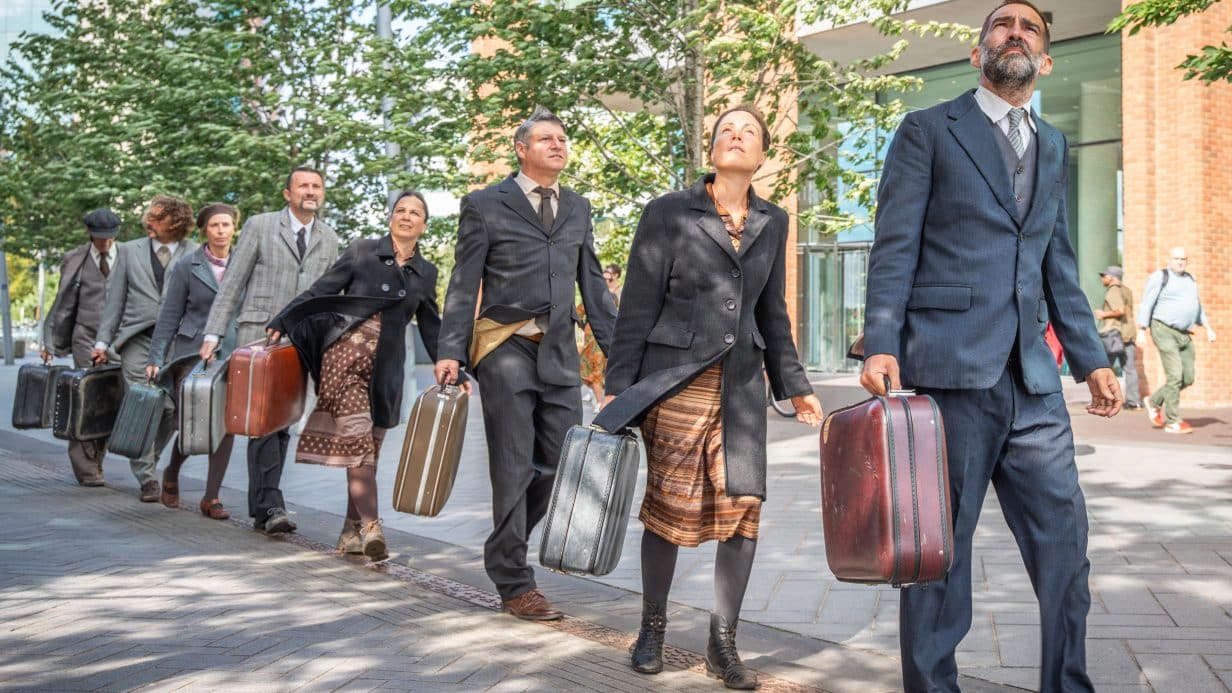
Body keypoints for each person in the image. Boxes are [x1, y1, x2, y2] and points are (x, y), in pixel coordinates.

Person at [858, 2, 1122, 691]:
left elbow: (1056, 262)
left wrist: (1091, 358)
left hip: (1035, 383)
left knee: (1067, 550)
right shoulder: (927, 130)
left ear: (1046, 59)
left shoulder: (1055, 145)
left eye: (1029, 28)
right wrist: (881, 341)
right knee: (938, 554)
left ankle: (1068, 683)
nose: (1015, 33)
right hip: (949, 372)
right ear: (979, 54)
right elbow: (894, 246)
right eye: (1002, 26)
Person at [604, 105, 823, 690]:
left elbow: (772, 313)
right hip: (674, 379)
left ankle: (722, 642)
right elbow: (638, 305)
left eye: (749, 131)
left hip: (742, 386)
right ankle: (652, 625)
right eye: (727, 127)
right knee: (669, 508)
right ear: (711, 147)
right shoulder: (669, 212)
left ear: (761, 155)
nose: (736, 134)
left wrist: (796, 386)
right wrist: (617, 390)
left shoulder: (773, 222)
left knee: (743, 509)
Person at [435, 109, 617, 621]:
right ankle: (515, 580)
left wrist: (621, 360)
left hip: (560, 353)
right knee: (512, 466)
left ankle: (502, 547)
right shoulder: (484, 204)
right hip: (504, 349)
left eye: (563, 138)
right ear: (521, 148)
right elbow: (463, 283)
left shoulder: (578, 207)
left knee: (562, 465)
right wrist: (451, 350)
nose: (558, 145)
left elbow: (595, 289)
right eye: (546, 138)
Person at [268, 191, 444, 561]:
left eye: (415, 213)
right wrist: (283, 319)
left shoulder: (426, 273)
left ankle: (350, 531)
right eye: (401, 211)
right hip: (345, 361)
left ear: (424, 225)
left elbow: (431, 326)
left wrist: (451, 362)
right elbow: (322, 290)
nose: (407, 217)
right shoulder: (362, 251)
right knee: (358, 440)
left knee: (367, 450)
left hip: (387, 370)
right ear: (390, 218)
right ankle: (372, 527)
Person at [199, 166, 340, 534]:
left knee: (283, 423)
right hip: (259, 337)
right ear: (287, 194)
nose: (310, 191)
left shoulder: (329, 237)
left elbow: (328, 297)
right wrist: (213, 333)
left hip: (302, 342)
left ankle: (265, 507)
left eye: (316, 186)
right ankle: (271, 504)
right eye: (303, 186)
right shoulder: (261, 226)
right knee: (263, 423)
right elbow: (233, 283)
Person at [93, 196, 197, 502]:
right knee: (141, 402)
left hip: (176, 343)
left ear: (174, 222)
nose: (147, 223)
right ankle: (147, 477)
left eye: (156, 218)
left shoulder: (193, 253)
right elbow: (115, 300)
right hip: (137, 339)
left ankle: (148, 458)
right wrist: (102, 341)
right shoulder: (128, 250)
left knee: (168, 410)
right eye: (147, 217)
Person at [144, 204, 241, 519]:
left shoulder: (245, 262)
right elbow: (170, 315)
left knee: (226, 427)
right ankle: (172, 472)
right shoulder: (188, 265)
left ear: (234, 229)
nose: (221, 231)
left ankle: (211, 498)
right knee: (190, 424)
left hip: (232, 353)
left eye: (226, 225)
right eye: (215, 225)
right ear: (204, 230)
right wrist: (156, 357)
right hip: (191, 354)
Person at [40, 209, 121, 487]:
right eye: (101, 238)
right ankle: (86, 467)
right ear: (89, 233)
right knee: (86, 400)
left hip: (120, 340)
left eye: (110, 237)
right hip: (84, 337)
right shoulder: (75, 258)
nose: (106, 243)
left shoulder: (129, 257)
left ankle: (98, 457)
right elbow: (62, 304)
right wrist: (49, 342)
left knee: (112, 403)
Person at [1137, 246, 1216, 434]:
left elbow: (1197, 305)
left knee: (1188, 377)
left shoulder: (1190, 279)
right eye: (1176, 258)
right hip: (1163, 329)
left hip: (1185, 333)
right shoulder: (1160, 277)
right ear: (1169, 259)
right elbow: (1147, 303)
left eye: (1183, 259)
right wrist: (1141, 329)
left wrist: (1208, 327)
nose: (1180, 262)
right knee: (1175, 375)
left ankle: (1154, 401)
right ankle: (1173, 421)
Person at [1094, 265, 1138, 408]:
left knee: (1104, 368)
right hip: (1128, 334)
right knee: (1130, 369)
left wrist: (1103, 314)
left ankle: (1103, 400)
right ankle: (1133, 402)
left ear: (1112, 278)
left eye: (1104, 275)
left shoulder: (1113, 290)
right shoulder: (1127, 290)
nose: (1103, 278)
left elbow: (1120, 310)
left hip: (1114, 336)